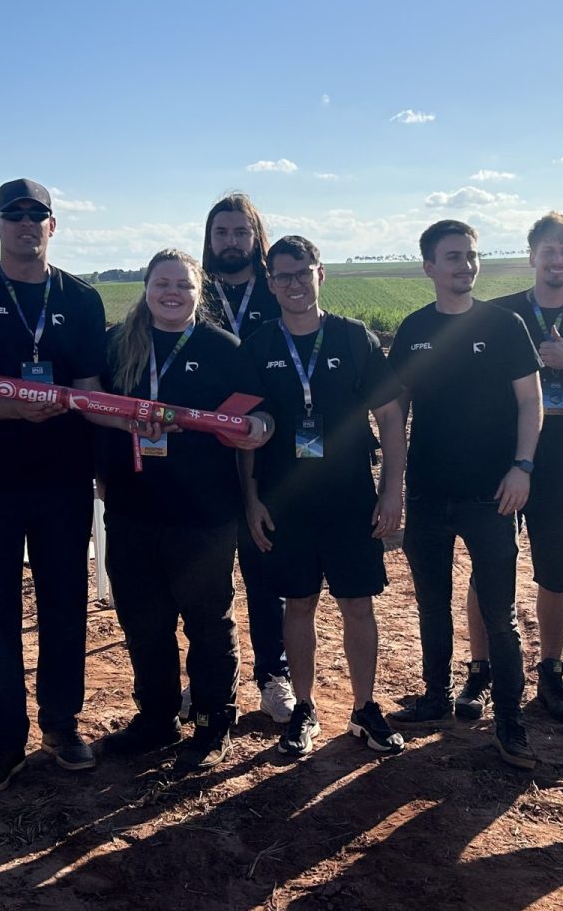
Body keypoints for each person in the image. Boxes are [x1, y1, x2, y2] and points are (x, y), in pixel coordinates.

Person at [0, 179, 109, 794]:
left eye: (39, 216)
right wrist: (13, 411)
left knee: (65, 606)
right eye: (15, 215)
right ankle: (3, 743)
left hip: (63, 479)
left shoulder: (82, 300)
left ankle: (62, 725)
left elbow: (91, 391)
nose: (26, 225)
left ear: (53, 228)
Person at [96, 249, 272, 772]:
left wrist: (261, 426)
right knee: (143, 620)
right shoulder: (118, 344)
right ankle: (156, 717)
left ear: (199, 293)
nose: (172, 292)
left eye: (184, 285)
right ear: (146, 287)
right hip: (131, 507)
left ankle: (214, 720)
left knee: (207, 620)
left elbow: (255, 411)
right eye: (162, 282)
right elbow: (96, 410)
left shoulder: (224, 348)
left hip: (203, 512)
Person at [386, 220, 543, 770]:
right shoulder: (412, 330)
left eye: (471, 256)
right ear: (429, 266)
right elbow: (396, 409)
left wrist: (523, 467)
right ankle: (434, 697)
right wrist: (395, 486)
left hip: (492, 496)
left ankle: (510, 723)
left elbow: (531, 402)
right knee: (431, 603)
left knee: (499, 616)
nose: (464, 266)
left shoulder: (505, 325)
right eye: (452, 257)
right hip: (428, 494)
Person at [241, 236, 407, 757]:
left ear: (321, 274)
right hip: (285, 501)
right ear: (270, 284)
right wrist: (251, 500)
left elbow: (390, 417)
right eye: (282, 276)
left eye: (302, 272)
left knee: (358, 604)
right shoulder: (259, 346)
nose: (293, 284)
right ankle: (306, 708)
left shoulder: (354, 338)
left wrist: (392, 492)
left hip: (350, 498)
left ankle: (363, 709)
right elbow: (242, 432)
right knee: (298, 605)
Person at [468, 213, 563, 722]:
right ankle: (480, 670)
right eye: (547, 251)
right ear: (532, 256)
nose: (556, 261)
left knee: (555, 572)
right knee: (487, 571)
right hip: (500, 463)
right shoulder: (498, 315)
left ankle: (551, 672)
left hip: (558, 464)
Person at [200, 194, 294, 725]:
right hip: (204, 457)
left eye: (241, 232)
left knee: (264, 568)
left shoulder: (277, 289)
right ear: (209, 239)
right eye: (221, 233)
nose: (231, 241)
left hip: (267, 451)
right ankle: (208, 680)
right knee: (204, 577)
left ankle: (273, 675)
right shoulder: (195, 291)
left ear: (256, 237)